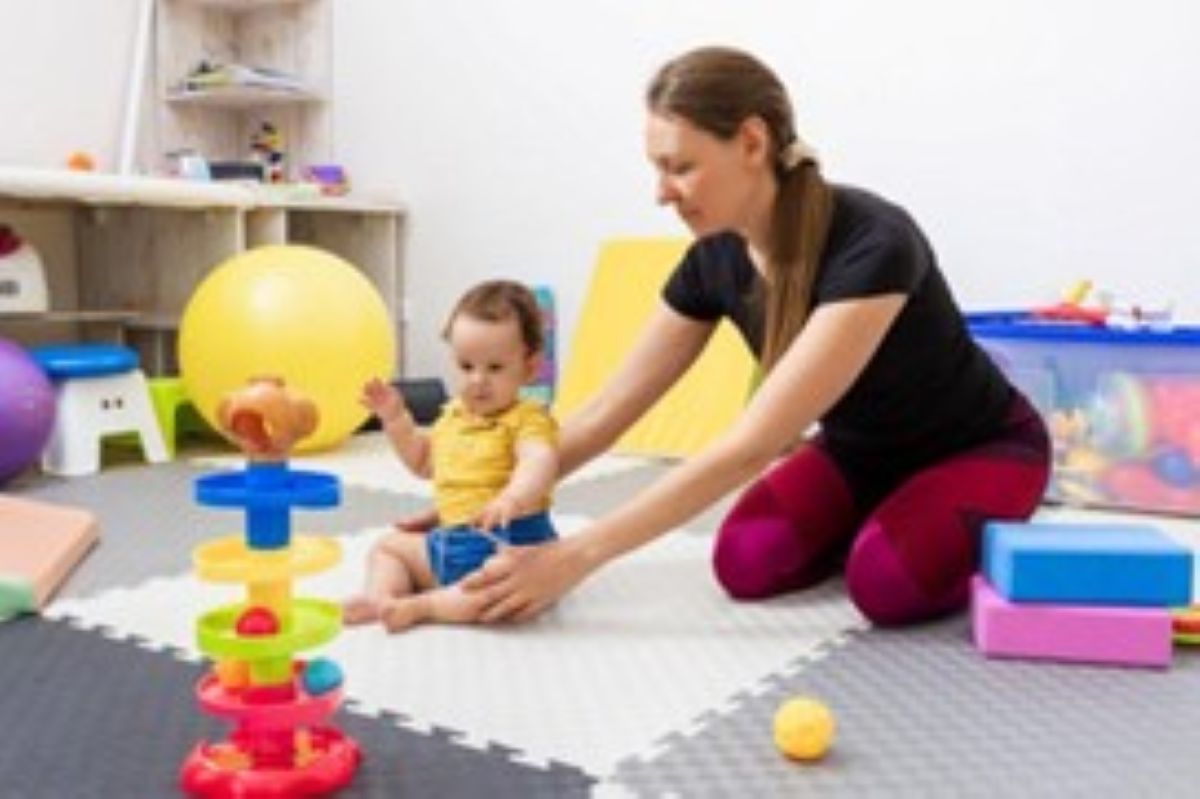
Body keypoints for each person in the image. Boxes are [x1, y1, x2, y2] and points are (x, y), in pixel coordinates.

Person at [461, 45, 1051, 627]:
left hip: (979, 447)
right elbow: (609, 411)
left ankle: (930, 520)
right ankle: (889, 516)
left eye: (680, 167)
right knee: (745, 562)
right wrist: (480, 503)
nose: (661, 193)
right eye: (657, 169)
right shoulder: (712, 259)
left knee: (886, 585)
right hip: (860, 455)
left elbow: (751, 445)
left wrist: (575, 557)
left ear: (751, 142)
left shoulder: (874, 242)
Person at [343, 279, 559, 632]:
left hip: (508, 542)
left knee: (495, 595)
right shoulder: (452, 417)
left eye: (494, 368)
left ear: (529, 367)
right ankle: (380, 598)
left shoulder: (527, 418)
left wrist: (514, 498)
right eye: (465, 365)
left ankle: (423, 606)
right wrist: (396, 420)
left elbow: (539, 460)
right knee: (387, 548)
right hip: (450, 545)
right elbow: (424, 463)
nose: (477, 380)